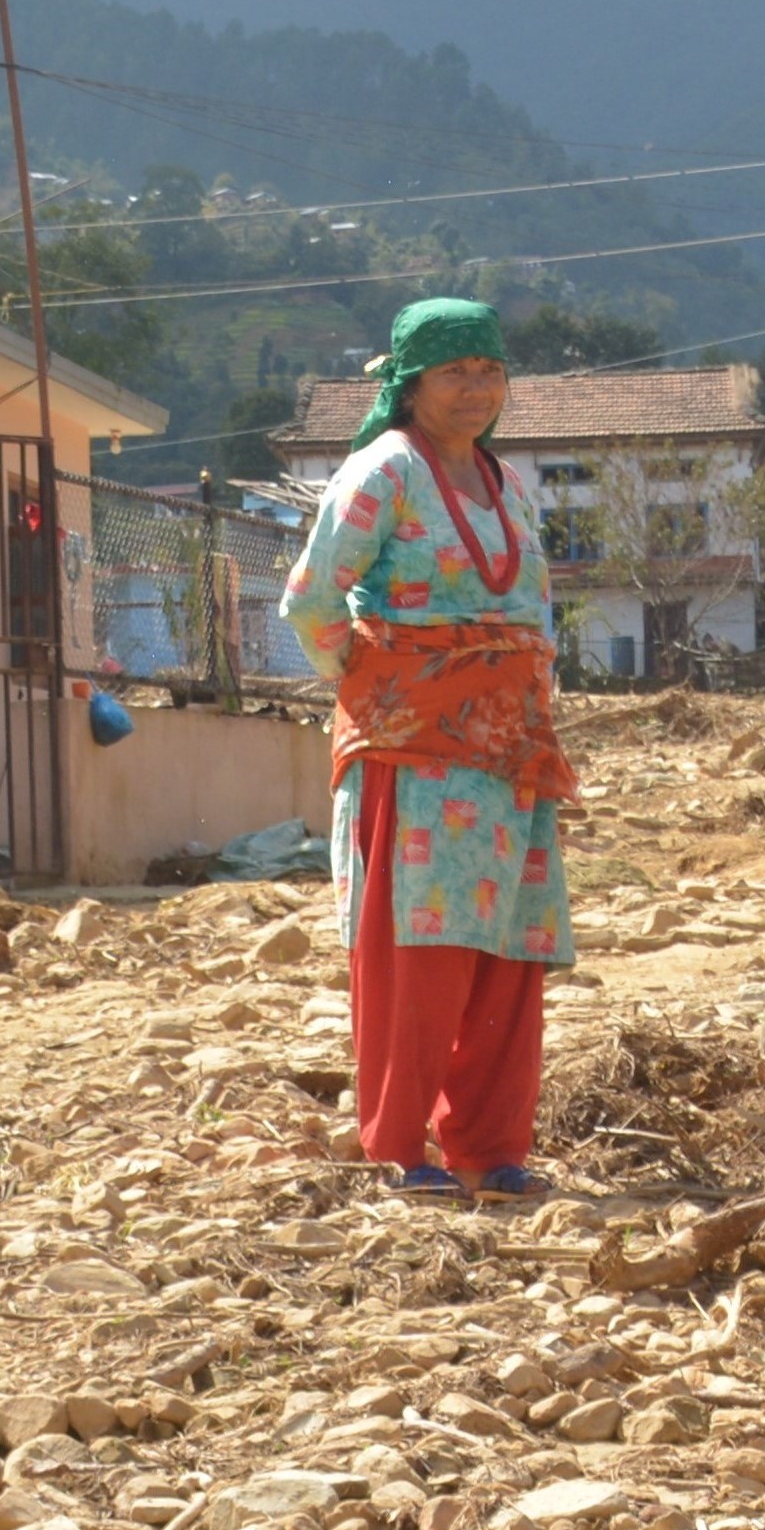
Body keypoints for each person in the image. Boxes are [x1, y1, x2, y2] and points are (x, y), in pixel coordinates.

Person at [279, 298, 578, 1203]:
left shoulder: (506, 481)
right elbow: (310, 598)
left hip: (506, 748)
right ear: (410, 385)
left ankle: (489, 1148)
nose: (476, 390)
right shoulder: (383, 471)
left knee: (508, 949)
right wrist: (373, 687)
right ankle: (398, 1146)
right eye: (455, 373)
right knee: (421, 949)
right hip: (415, 748)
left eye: (489, 372)